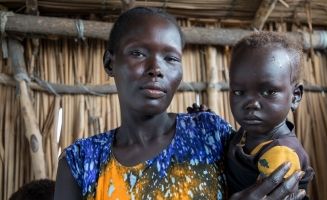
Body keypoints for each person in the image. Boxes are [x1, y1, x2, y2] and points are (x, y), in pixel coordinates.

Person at [54, 7, 306, 200]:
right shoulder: (80, 162)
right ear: (110, 63)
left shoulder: (209, 134)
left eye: (170, 58)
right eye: (138, 53)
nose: (156, 69)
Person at [226, 32, 314, 197]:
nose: (251, 104)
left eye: (269, 91)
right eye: (239, 92)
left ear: (295, 96)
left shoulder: (281, 155)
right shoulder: (247, 136)